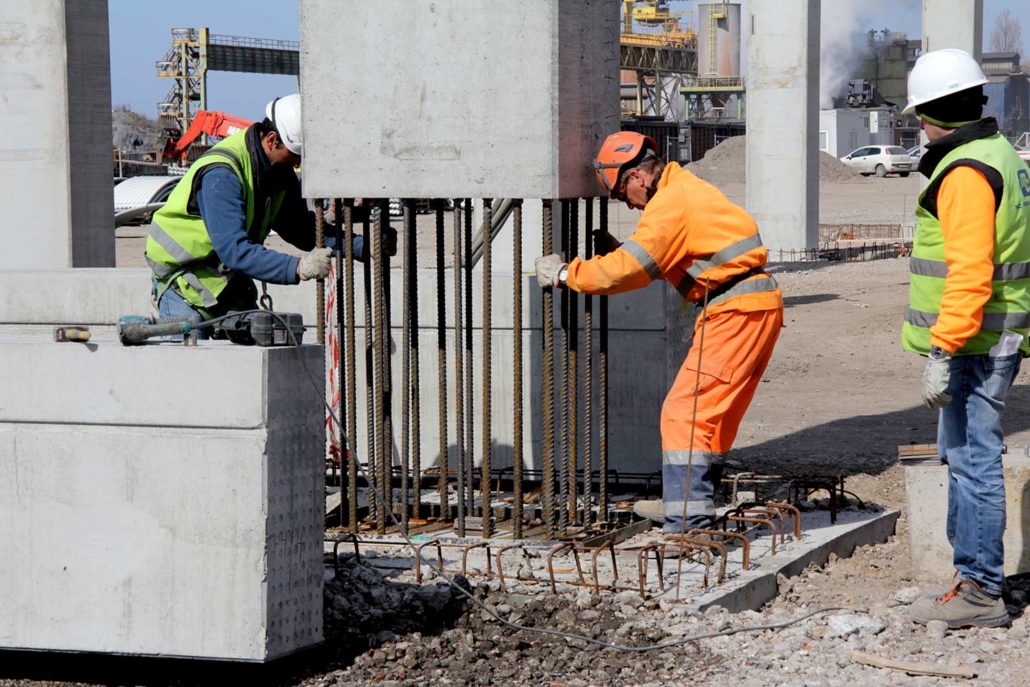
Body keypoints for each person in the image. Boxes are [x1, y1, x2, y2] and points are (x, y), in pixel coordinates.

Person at [535, 132, 783, 534]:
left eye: (621, 194)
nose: (627, 203)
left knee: (684, 414)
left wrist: (566, 274)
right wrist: (626, 249)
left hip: (736, 311)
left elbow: (626, 271)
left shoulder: (669, 201)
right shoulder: (682, 189)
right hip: (751, 305)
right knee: (711, 417)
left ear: (637, 177)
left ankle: (688, 522)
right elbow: (675, 255)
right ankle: (685, 502)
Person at [902, 49, 1030, 629]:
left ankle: (980, 589)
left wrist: (943, 347)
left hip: (974, 343)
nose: (919, 126)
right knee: (961, 457)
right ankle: (969, 579)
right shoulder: (1001, 153)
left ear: (937, 112)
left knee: (973, 462)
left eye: (920, 115)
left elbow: (971, 271)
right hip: (991, 336)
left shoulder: (965, 171)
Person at [146, 94, 395, 335]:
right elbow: (234, 250)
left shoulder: (278, 170)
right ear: (272, 139)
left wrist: (363, 246)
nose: (298, 163)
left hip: (226, 284)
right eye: (295, 154)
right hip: (184, 283)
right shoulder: (222, 174)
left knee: (251, 355)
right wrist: (298, 267)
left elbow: (300, 229)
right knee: (189, 371)